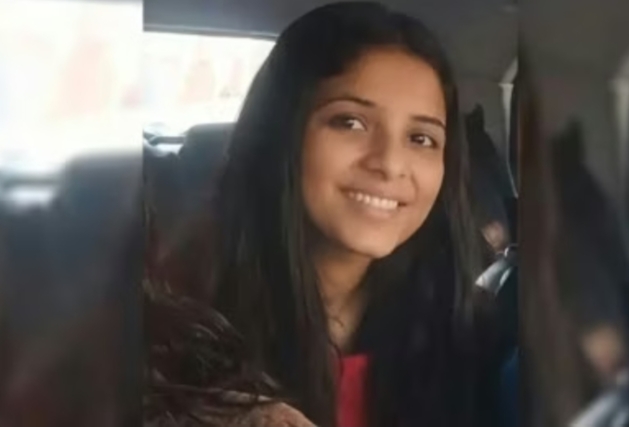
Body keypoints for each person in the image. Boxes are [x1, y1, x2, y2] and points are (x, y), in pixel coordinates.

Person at [146, 2, 498, 427]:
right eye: (350, 122)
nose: (390, 163)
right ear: (281, 134)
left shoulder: (471, 332)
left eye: (421, 138)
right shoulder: (168, 333)